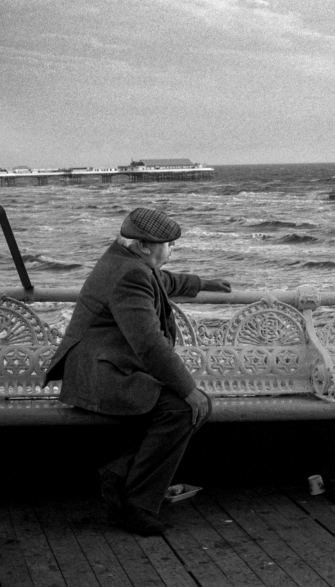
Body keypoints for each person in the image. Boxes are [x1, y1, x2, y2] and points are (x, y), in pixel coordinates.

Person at [43, 208, 232, 536]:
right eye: (169, 244)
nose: (172, 249)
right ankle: (136, 505)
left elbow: (164, 281)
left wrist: (204, 283)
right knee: (185, 407)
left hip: (105, 368)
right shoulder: (130, 275)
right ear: (145, 246)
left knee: (186, 408)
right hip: (101, 377)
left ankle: (118, 475)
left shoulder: (126, 260)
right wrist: (189, 388)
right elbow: (149, 344)